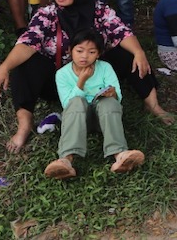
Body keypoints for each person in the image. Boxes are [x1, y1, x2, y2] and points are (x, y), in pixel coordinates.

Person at [0, 0, 169, 153]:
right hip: (60, 81)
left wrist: (138, 51)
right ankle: (25, 124)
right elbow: (28, 41)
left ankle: (152, 103)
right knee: (24, 64)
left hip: (96, 79)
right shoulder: (48, 14)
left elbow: (122, 32)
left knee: (128, 53)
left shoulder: (99, 11)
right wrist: (4, 68)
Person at [44, 29, 145, 180]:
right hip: (77, 119)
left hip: (103, 118)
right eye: (79, 51)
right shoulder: (62, 74)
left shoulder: (105, 68)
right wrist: (81, 81)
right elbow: (67, 104)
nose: (84, 56)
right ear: (70, 50)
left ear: (98, 54)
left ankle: (120, 154)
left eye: (91, 52)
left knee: (108, 102)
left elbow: (118, 96)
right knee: (76, 101)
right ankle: (66, 160)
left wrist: (113, 94)